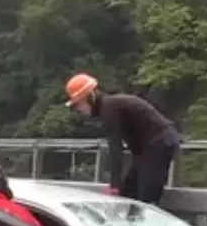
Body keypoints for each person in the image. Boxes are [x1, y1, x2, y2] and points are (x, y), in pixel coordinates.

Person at [64, 73, 182, 204]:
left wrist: (114, 185)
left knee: (146, 196)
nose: (78, 109)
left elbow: (115, 147)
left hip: (160, 143)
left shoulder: (109, 108)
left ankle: (148, 216)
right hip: (148, 147)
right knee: (129, 193)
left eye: (79, 104)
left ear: (91, 97)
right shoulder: (110, 106)